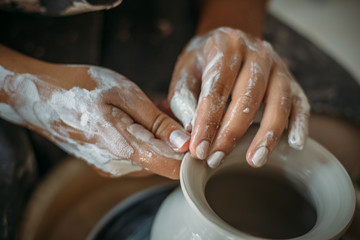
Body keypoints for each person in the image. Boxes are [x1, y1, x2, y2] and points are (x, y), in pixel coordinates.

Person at [0, 0, 358, 239]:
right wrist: (28, 94)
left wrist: (230, 27)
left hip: (144, 8)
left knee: (341, 141)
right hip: (13, 46)